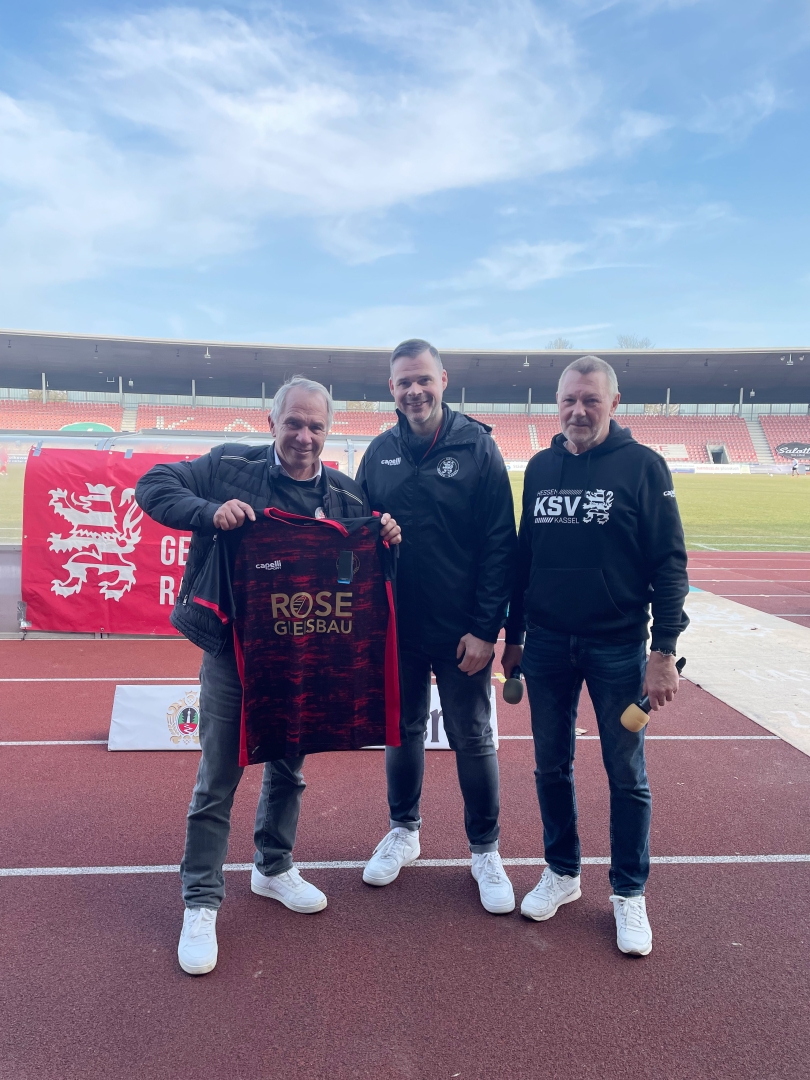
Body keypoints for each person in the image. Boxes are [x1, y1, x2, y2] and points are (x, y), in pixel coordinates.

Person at [135, 376, 401, 975]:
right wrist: (209, 512)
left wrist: (387, 539)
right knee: (218, 777)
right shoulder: (228, 466)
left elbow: (356, 572)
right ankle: (201, 900)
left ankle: (273, 866)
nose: (304, 436)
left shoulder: (345, 495)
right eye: (294, 423)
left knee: (289, 768)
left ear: (328, 431)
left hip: (304, 652)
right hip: (234, 649)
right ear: (272, 422)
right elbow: (151, 485)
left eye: (316, 426)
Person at [501, 355, 689, 956]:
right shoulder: (540, 466)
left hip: (617, 644)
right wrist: (514, 634)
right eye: (569, 401)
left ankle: (629, 892)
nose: (578, 411)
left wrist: (664, 650)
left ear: (613, 403)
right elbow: (525, 557)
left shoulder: (643, 466)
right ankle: (562, 871)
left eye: (591, 400)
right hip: (547, 643)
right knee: (550, 765)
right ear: (556, 404)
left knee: (625, 774)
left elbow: (669, 563)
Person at [356, 339, 518, 913]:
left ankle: (485, 851)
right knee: (401, 730)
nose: (414, 391)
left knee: (471, 735)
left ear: (443, 380)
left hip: (461, 629)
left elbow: (500, 543)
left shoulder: (477, 447)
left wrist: (486, 628)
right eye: (404, 382)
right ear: (391, 388)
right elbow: (357, 537)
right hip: (397, 626)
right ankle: (404, 830)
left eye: (423, 379)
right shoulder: (379, 452)